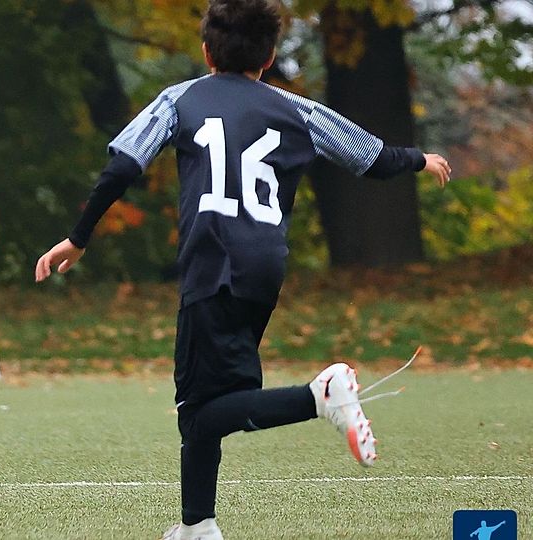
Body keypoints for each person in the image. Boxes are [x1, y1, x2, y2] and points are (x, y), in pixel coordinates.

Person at [35, 1, 452, 538]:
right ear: (270, 56)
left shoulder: (180, 99)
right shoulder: (296, 109)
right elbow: (368, 157)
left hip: (212, 262)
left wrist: (78, 237)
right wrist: (419, 159)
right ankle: (198, 526)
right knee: (213, 403)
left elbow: (123, 166)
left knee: (199, 411)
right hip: (263, 268)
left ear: (206, 51)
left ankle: (320, 396)